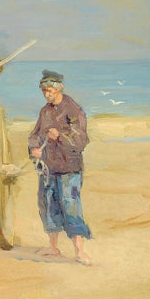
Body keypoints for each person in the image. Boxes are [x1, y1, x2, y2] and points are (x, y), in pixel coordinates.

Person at [28, 69, 93, 265]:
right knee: (48, 206)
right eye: (44, 91)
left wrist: (60, 137)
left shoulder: (73, 110)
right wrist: (34, 149)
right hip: (48, 168)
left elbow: (82, 140)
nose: (46, 94)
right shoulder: (45, 111)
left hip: (68, 169)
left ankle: (79, 250)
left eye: (49, 90)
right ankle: (53, 247)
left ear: (59, 88)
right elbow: (35, 135)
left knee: (71, 207)